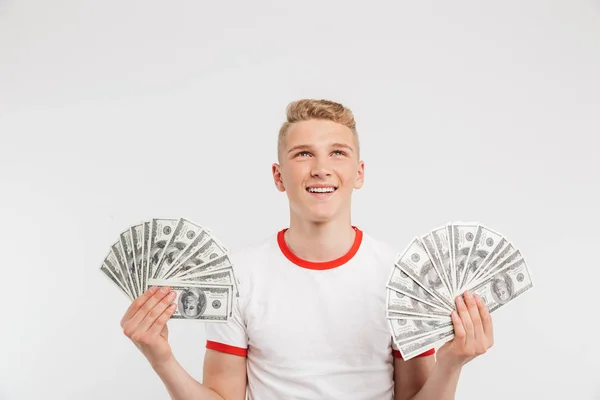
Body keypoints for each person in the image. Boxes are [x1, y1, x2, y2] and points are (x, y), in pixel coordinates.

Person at [119, 99, 494, 399]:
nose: (320, 169)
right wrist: (161, 358)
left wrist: (451, 365)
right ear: (279, 176)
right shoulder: (237, 274)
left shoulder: (403, 278)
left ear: (359, 173)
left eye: (337, 153)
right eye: (302, 154)